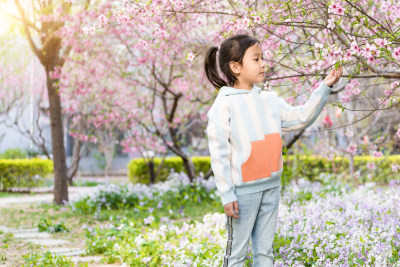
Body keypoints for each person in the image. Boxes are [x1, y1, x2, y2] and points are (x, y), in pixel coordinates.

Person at [204, 34, 343, 266]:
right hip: (242, 194)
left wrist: (324, 87)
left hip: (271, 187)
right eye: (256, 59)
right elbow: (218, 153)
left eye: (262, 58)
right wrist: (227, 193)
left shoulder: (270, 100)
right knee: (236, 254)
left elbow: (301, 118)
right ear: (235, 67)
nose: (263, 64)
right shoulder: (224, 105)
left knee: (265, 253)